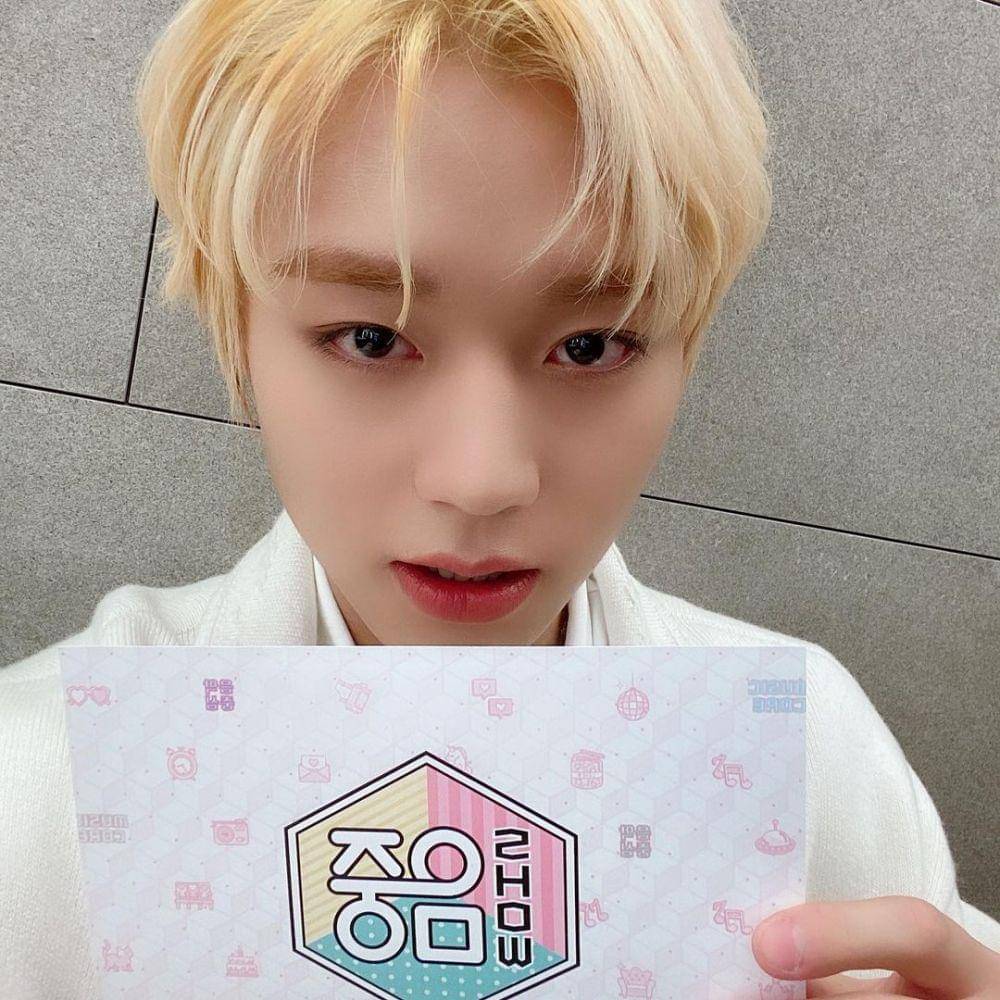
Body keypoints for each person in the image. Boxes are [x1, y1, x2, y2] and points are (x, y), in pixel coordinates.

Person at [2, 0, 999, 997]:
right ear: (239, 329)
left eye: (591, 344)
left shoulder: (810, 764)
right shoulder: (39, 792)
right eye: (371, 337)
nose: (482, 479)